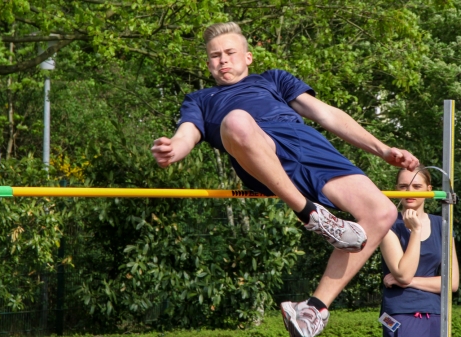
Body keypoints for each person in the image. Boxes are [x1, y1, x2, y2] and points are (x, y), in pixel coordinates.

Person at [151, 22, 419, 337]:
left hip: (307, 145)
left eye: (230, 53)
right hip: (259, 152)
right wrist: (172, 150)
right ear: (208, 63)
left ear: (248, 57)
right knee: (236, 120)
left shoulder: (273, 79)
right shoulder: (200, 99)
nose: (223, 60)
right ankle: (308, 213)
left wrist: (382, 149)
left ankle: (315, 308)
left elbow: (325, 114)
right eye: (215, 56)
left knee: (383, 213)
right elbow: (187, 134)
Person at [379, 166, 459, 337]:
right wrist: (415, 231)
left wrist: (411, 282)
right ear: (396, 189)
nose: (409, 191)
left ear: (429, 190)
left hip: (436, 311)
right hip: (399, 312)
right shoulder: (388, 225)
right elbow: (403, 274)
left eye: (417, 186)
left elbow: (452, 283)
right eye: (403, 186)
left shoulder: (442, 224)